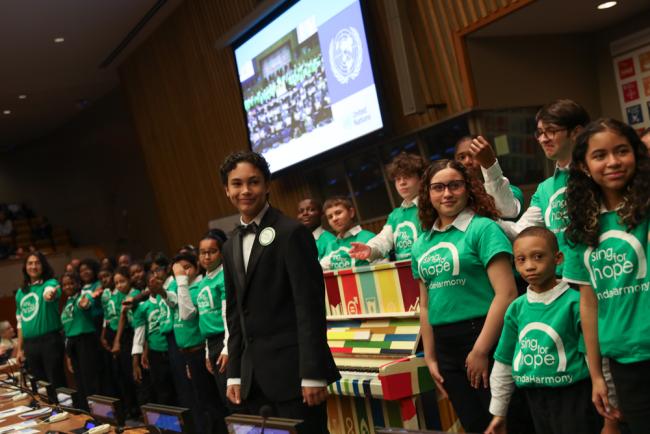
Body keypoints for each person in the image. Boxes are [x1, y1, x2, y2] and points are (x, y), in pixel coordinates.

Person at [219, 151, 339, 433]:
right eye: (237, 184)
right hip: (253, 382)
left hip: (295, 377)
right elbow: (235, 314)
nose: (245, 190)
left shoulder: (291, 232)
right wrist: (234, 374)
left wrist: (312, 373)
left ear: (267, 185)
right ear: (227, 190)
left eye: (253, 182)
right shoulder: (230, 244)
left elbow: (309, 308)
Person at [410, 159, 517, 432]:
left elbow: (506, 294)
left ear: (468, 188)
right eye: (438, 187)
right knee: (474, 426)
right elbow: (426, 306)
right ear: (428, 194)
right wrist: (431, 357)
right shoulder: (422, 242)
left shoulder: (483, 228)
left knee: (506, 425)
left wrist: (480, 350)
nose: (447, 193)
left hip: (485, 336)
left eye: (454, 185)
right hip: (445, 347)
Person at [563, 118, 650, 433]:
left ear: (636, 155)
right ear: (585, 166)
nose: (613, 162)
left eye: (622, 151)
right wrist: (597, 375)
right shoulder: (582, 228)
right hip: (624, 362)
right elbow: (589, 305)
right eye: (599, 155)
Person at [485, 227, 601, 434]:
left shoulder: (576, 303)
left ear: (558, 258)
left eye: (538, 257)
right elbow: (503, 363)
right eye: (521, 260)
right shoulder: (517, 308)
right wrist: (498, 413)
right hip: (535, 401)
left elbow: (594, 359)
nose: (529, 266)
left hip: (574, 398)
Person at [477, 99, 590, 276]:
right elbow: (519, 233)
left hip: (604, 276)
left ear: (576, 132)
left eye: (551, 131)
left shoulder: (599, 175)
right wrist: (476, 219)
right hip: (565, 283)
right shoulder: (545, 189)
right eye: (540, 133)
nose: (543, 139)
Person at [172, 251, 225, 434]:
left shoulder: (199, 287)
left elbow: (187, 314)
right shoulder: (185, 288)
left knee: (213, 402)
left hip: (203, 349)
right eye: (180, 270)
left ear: (196, 266)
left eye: (187, 268)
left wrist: (180, 281)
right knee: (202, 402)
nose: (184, 273)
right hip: (192, 353)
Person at [179, 230, 230, 411]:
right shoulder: (202, 283)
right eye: (202, 252)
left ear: (222, 253)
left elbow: (228, 315)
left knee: (235, 401)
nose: (206, 256)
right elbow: (202, 319)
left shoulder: (224, 276)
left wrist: (227, 347)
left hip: (226, 340)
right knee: (225, 399)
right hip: (212, 343)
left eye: (212, 251)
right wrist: (208, 352)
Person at [349, 152, 425, 262]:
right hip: (404, 272)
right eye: (398, 179)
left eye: (407, 177)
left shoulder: (431, 206)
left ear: (421, 179)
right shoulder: (395, 215)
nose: (402, 183)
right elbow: (384, 240)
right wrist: (370, 249)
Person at [14, 252, 66, 386]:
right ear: (25, 267)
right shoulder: (21, 292)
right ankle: (48, 408)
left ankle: (65, 407)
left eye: (37, 263)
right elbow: (20, 323)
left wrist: (49, 295)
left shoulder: (51, 283)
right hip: (30, 345)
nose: (33, 266)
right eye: (30, 263)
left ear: (43, 266)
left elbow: (49, 292)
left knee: (56, 382)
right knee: (41, 386)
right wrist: (20, 349)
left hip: (50, 341)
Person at [131, 268, 176, 405]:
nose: (157, 283)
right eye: (153, 281)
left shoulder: (170, 297)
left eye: (160, 280)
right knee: (164, 393)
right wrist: (135, 361)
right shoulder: (143, 307)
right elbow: (139, 335)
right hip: (156, 354)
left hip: (174, 349)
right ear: (147, 285)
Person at [454, 135, 524, 220]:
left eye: (473, 155)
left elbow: (507, 212)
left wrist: (490, 165)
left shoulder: (512, 191)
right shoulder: (456, 198)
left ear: (486, 156)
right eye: (461, 157)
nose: (467, 161)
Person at [60, 270, 100, 407]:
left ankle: (99, 413)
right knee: (80, 381)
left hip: (85, 342)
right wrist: (68, 354)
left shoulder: (83, 296)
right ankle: (86, 412)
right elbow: (67, 330)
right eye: (64, 285)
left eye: (71, 283)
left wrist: (86, 304)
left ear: (78, 283)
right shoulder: (67, 303)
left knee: (90, 380)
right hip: (72, 344)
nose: (68, 287)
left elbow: (87, 302)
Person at [107, 266, 140, 417]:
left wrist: (117, 341)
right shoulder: (120, 296)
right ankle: (132, 408)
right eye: (116, 283)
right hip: (130, 336)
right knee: (125, 375)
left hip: (137, 335)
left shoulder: (135, 294)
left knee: (136, 375)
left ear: (129, 281)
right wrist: (116, 341)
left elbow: (123, 319)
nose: (119, 285)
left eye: (122, 281)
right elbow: (121, 318)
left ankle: (140, 409)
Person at [319, 196, 376, 270]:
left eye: (338, 213)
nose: (334, 219)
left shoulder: (369, 237)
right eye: (330, 217)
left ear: (351, 212)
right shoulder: (331, 244)